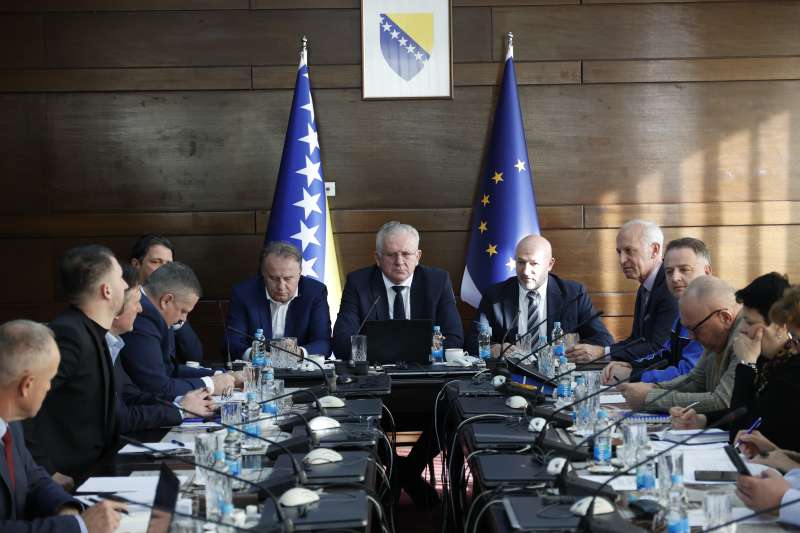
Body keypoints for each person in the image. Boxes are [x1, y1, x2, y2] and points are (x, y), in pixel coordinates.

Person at [0, 320, 127, 532]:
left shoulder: (11, 423)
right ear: (27, 385)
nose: (50, 387)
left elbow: (33, 477)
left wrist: (66, 507)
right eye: (49, 379)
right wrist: (78, 526)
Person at [23, 245, 125, 481]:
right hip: (66, 477)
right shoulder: (69, 334)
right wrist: (46, 470)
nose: (126, 285)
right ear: (107, 290)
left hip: (94, 469)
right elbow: (20, 404)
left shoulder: (91, 331)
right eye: (121, 278)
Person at [671, 276, 797, 449]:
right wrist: (703, 419)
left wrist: (746, 365)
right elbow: (746, 409)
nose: (743, 329)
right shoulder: (767, 360)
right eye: (743, 319)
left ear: (780, 326)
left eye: (750, 322)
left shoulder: (792, 371)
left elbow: (740, 433)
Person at [332, 221, 463, 359]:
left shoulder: (437, 282)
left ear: (417, 257)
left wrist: (405, 352)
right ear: (378, 258)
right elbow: (341, 343)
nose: (399, 262)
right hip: (375, 370)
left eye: (406, 254)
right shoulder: (358, 283)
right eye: (391, 254)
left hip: (424, 368)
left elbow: (454, 339)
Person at [466, 234, 612, 357]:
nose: (525, 271)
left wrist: (577, 349)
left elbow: (604, 340)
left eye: (534, 264)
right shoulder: (495, 295)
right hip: (511, 374)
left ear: (550, 264)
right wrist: (493, 349)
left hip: (559, 373)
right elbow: (472, 342)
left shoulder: (573, 294)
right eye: (521, 262)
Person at [111, 264, 214, 433]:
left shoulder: (112, 342)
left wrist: (181, 404)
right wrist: (181, 410)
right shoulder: (144, 319)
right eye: (136, 302)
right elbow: (154, 388)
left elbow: (132, 394)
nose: (140, 308)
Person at [618, 275, 742, 413]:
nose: (691, 337)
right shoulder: (717, 332)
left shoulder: (745, 336)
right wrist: (655, 387)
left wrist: (650, 399)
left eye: (696, 330)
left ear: (725, 318)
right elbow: (696, 381)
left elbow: (723, 401)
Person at [120, 262, 238, 398]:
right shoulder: (142, 318)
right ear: (166, 300)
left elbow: (169, 370)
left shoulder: (154, 314)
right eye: (183, 311)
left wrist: (219, 376)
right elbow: (157, 387)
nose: (183, 319)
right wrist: (211, 384)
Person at [602, 237, 712, 384]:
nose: (675, 278)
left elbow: (690, 374)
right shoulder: (685, 310)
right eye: (669, 271)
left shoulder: (712, 315)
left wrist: (634, 375)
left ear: (707, 271)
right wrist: (632, 365)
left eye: (684, 269)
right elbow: (665, 355)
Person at [570, 219, 678, 363]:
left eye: (629, 251)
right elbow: (636, 340)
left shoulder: (670, 286)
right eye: (619, 252)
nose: (621, 260)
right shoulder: (644, 288)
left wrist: (603, 353)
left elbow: (658, 347)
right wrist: (603, 352)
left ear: (654, 250)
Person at [226, 242, 331, 358]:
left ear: (300, 273)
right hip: (258, 365)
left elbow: (323, 343)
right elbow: (232, 342)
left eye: (288, 278)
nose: (281, 286)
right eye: (273, 278)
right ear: (263, 273)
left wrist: (298, 353)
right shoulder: (243, 293)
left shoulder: (315, 292)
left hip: (300, 366)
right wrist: (255, 355)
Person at [130, 234, 203, 365]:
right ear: (136, 264)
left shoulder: (174, 299)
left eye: (169, 264)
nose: (164, 269)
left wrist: (177, 320)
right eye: (156, 262)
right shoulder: (128, 302)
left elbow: (195, 357)